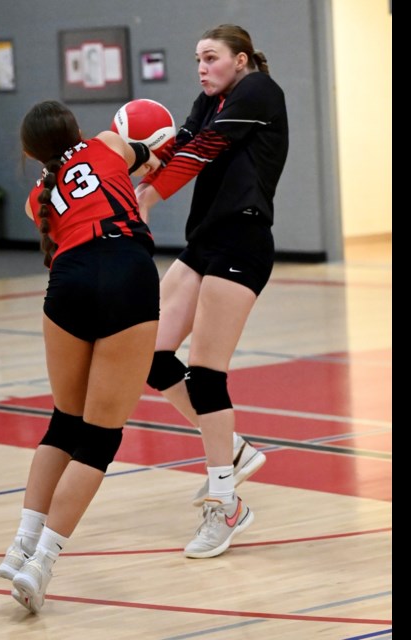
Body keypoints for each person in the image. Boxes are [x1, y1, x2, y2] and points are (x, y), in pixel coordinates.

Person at [0, 100, 162, 614]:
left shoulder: (34, 202)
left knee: (63, 424)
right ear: (78, 128)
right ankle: (41, 563)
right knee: (100, 436)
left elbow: (63, 188)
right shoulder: (108, 144)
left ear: (29, 153)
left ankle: (22, 543)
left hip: (67, 282)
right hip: (126, 270)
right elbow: (152, 157)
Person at [135, 25, 289, 559]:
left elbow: (203, 149)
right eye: (197, 58)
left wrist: (151, 194)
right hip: (204, 241)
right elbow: (179, 143)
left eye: (210, 58)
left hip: (242, 240)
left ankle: (227, 505)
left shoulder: (259, 91)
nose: (201, 67)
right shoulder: (212, 100)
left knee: (204, 372)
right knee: (148, 353)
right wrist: (135, 159)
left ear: (240, 59)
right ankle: (236, 450)